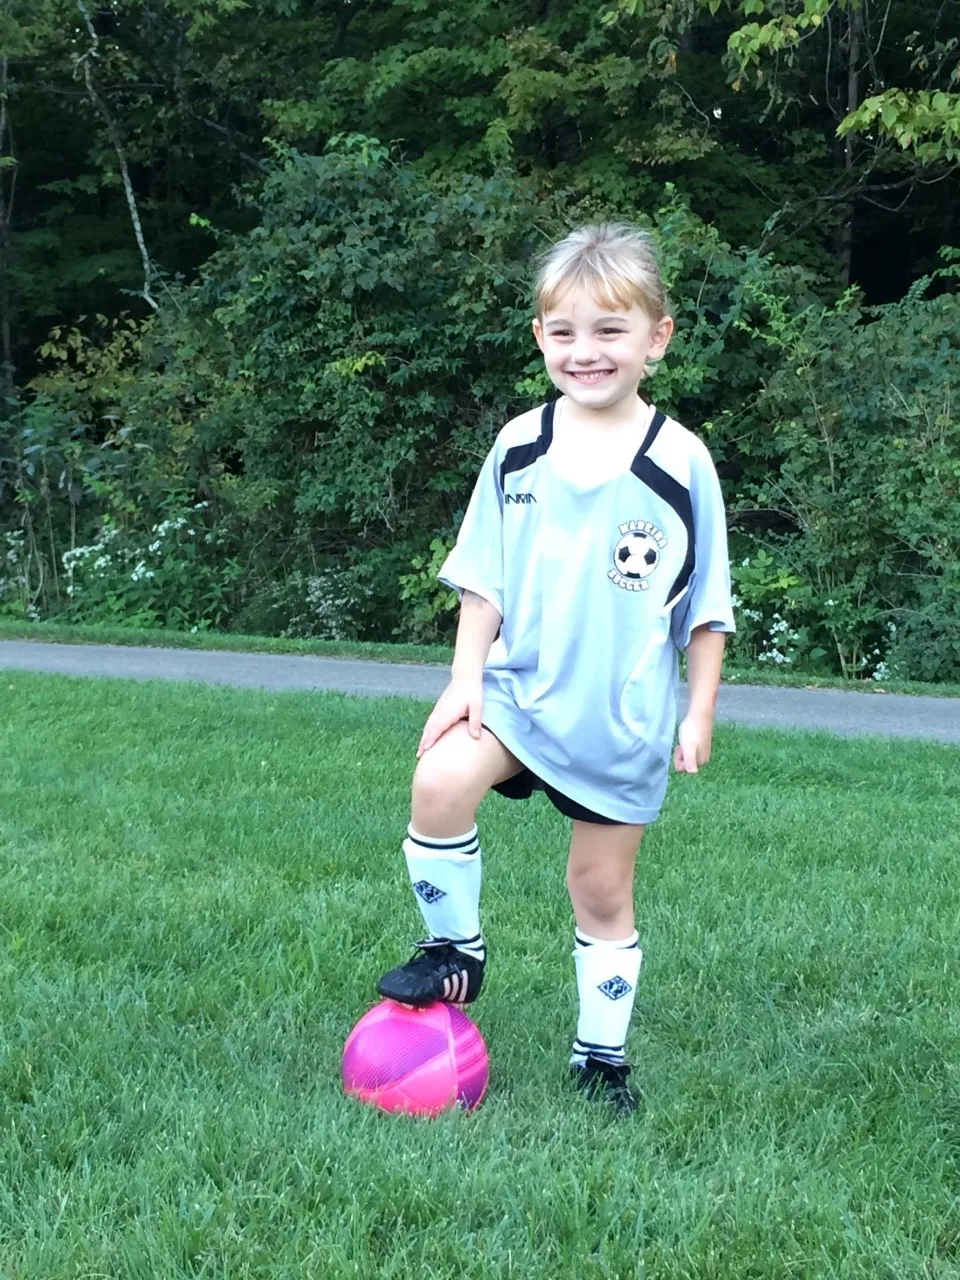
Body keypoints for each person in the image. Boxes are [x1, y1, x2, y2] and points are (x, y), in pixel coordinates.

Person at [376, 223, 734, 1114]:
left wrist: (698, 712)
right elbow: (482, 582)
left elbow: (707, 607)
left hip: (615, 720)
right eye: (565, 332)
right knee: (438, 782)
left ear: (658, 336)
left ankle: (600, 1060)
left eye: (611, 331)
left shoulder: (680, 461)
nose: (587, 351)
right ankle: (456, 951)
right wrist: (466, 681)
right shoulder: (519, 444)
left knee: (600, 888)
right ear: (540, 339)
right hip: (517, 692)